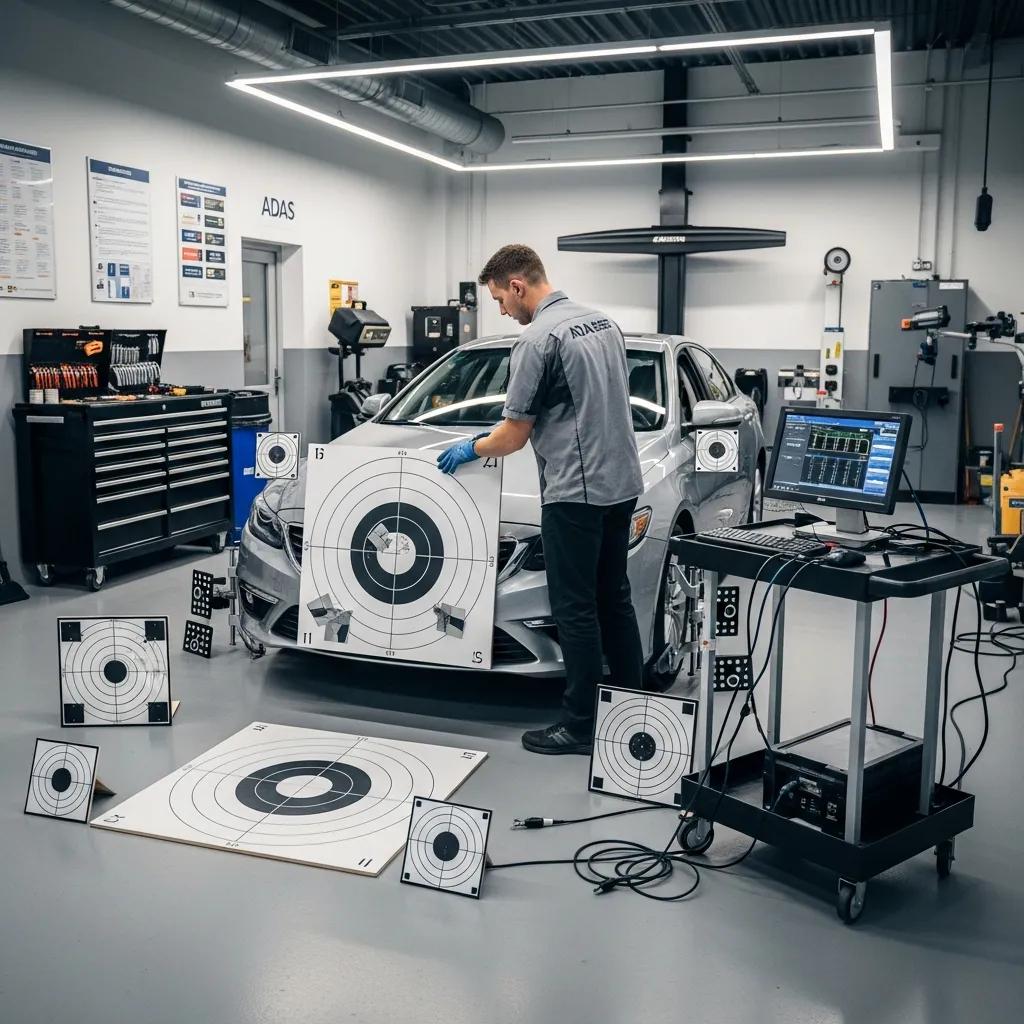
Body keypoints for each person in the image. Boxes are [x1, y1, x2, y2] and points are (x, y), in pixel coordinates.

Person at [436, 244, 644, 755]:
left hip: (575, 490)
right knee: (614, 599)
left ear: (517, 285)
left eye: (500, 301)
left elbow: (513, 436)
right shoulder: (603, 324)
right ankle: (638, 712)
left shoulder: (537, 340)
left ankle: (579, 725)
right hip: (621, 483)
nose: (503, 312)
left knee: (574, 609)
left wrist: (470, 447)